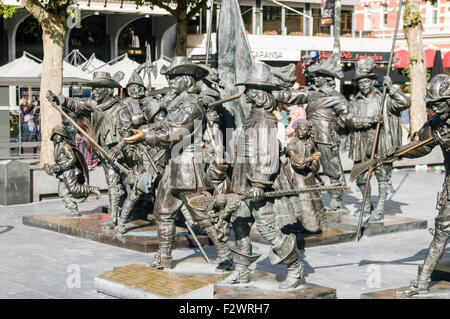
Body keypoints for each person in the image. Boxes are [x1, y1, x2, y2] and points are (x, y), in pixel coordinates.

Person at [124, 57, 229, 271]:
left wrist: (145, 136)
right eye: (169, 78)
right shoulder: (177, 104)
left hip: (189, 167)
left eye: (175, 77)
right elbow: (163, 124)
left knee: (202, 216)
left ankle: (226, 254)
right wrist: (145, 132)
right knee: (163, 212)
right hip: (173, 166)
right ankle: (164, 257)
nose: (170, 81)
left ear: (187, 81)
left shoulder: (193, 105)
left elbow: (175, 132)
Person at [217, 62, 305, 289]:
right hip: (242, 181)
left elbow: (268, 154)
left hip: (258, 184)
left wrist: (258, 183)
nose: (248, 94)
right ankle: (241, 271)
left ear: (263, 94)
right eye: (248, 89)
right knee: (239, 224)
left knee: (267, 228)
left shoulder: (265, 120)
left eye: (253, 90)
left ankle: (295, 268)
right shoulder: (252, 118)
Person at [46, 71, 133, 231]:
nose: (94, 91)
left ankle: (120, 215)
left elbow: (128, 134)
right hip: (105, 152)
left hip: (120, 153)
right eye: (93, 88)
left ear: (108, 90)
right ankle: (115, 217)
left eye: (98, 88)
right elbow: (76, 105)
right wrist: (59, 99)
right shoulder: (96, 106)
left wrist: (118, 148)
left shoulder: (121, 109)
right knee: (113, 183)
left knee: (124, 184)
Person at [393, 74, 450, 296]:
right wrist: (397, 153)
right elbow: (421, 147)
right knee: (441, 232)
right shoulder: (436, 125)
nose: (436, 109)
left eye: (439, 104)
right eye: (432, 104)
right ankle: (422, 282)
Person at [273, 53, 349, 212]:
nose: (315, 79)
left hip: (326, 137)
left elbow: (347, 117)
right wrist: (269, 92)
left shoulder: (337, 98)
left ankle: (336, 198)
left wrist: (336, 128)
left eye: (318, 76)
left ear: (327, 79)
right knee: (308, 166)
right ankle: (311, 194)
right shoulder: (312, 94)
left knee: (331, 168)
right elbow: (290, 96)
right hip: (309, 138)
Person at [346, 57, 410, 221]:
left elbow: (405, 102)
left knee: (382, 176)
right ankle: (366, 205)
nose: (363, 85)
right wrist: (369, 121)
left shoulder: (384, 98)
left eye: (366, 82)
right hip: (361, 143)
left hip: (381, 142)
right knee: (360, 176)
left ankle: (380, 207)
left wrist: (392, 89)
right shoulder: (355, 102)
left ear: (373, 81)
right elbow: (349, 120)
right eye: (360, 82)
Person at [44, 125, 100, 216]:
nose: (57, 137)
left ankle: (93, 189)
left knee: (74, 189)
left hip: (69, 171)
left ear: (63, 136)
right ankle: (74, 210)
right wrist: (51, 168)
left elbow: (72, 159)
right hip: (63, 173)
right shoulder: (57, 147)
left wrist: (61, 167)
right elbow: (60, 161)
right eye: (55, 135)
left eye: (59, 135)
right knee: (62, 193)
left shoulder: (66, 146)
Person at [286, 120, 327, 232]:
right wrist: (311, 158)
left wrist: (314, 163)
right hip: (297, 176)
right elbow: (296, 161)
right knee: (305, 201)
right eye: (299, 129)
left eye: (304, 130)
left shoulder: (310, 143)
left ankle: (320, 225)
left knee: (316, 201)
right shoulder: (291, 145)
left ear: (309, 132)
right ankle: (308, 227)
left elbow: (314, 162)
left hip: (309, 175)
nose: (300, 132)